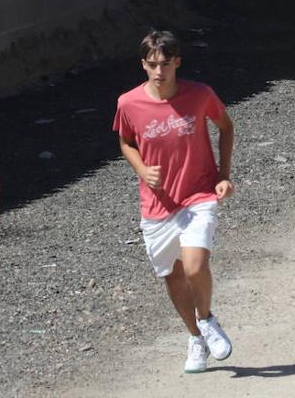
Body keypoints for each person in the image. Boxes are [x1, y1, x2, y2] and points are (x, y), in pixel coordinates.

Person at [112, 30, 235, 375]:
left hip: (199, 194)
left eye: (165, 64)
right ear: (143, 65)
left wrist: (223, 175)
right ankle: (196, 337)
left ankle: (207, 318)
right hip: (157, 206)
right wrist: (140, 169)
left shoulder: (199, 95)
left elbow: (226, 127)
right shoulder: (128, 103)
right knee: (173, 276)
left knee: (195, 265)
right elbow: (125, 142)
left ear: (177, 62)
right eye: (152, 65)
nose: (158, 72)